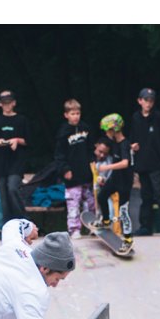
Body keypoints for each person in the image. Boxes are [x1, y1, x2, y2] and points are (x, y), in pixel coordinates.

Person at [128, 88, 160, 237]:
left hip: (156, 161)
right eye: (146, 100)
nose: (148, 103)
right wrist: (132, 145)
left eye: (151, 101)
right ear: (139, 101)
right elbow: (132, 137)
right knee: (145, 194)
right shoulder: (135, 117)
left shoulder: (158, 116)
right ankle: (145, 226)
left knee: (159, 192)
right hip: (142, 161)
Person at [53, 98, 95, 239]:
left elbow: (91, 149)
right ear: (66, 115)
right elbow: (59, 154)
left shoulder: (86, 129)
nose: (75, 116)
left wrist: (93, 165)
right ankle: (74, 228)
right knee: (73, 203)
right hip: (72, 175)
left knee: (90, 202)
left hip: (87, 173)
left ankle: (92, 226)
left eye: (77, 113)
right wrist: (65, 170)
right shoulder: (63, 132)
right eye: (72, 114)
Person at [0, 90, 30, 223]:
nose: (7, 105)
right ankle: (7, 224)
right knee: (3, 195)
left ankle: (22, 220)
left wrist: (16, 140)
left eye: (9, 103)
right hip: (0, 162)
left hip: (17, 162)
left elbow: (29, 140)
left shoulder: (22, 120)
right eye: (4, 103)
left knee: (12, 188)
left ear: (14, 103)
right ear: (0, 104)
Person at [95, 114, 133, 246]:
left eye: (107, 130)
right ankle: (106, 221)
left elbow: (125, 163)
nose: (106, 134)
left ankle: (127, 239)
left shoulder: (124, 144)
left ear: (114, 129)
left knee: (123, 211)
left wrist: (107, 167)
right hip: (115, 179)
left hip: (125, 182)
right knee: (101, 196)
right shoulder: (114, 143)